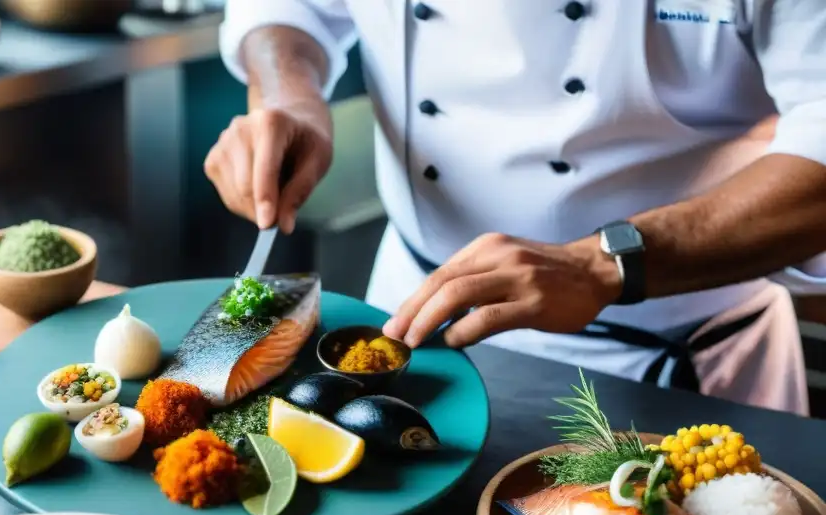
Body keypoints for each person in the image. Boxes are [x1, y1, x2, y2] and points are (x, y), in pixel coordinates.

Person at [203, 1, 826, 416]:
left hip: (674, 368)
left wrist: (603, 264)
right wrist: (287, 93)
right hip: (412, 328)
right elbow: (287, 11)